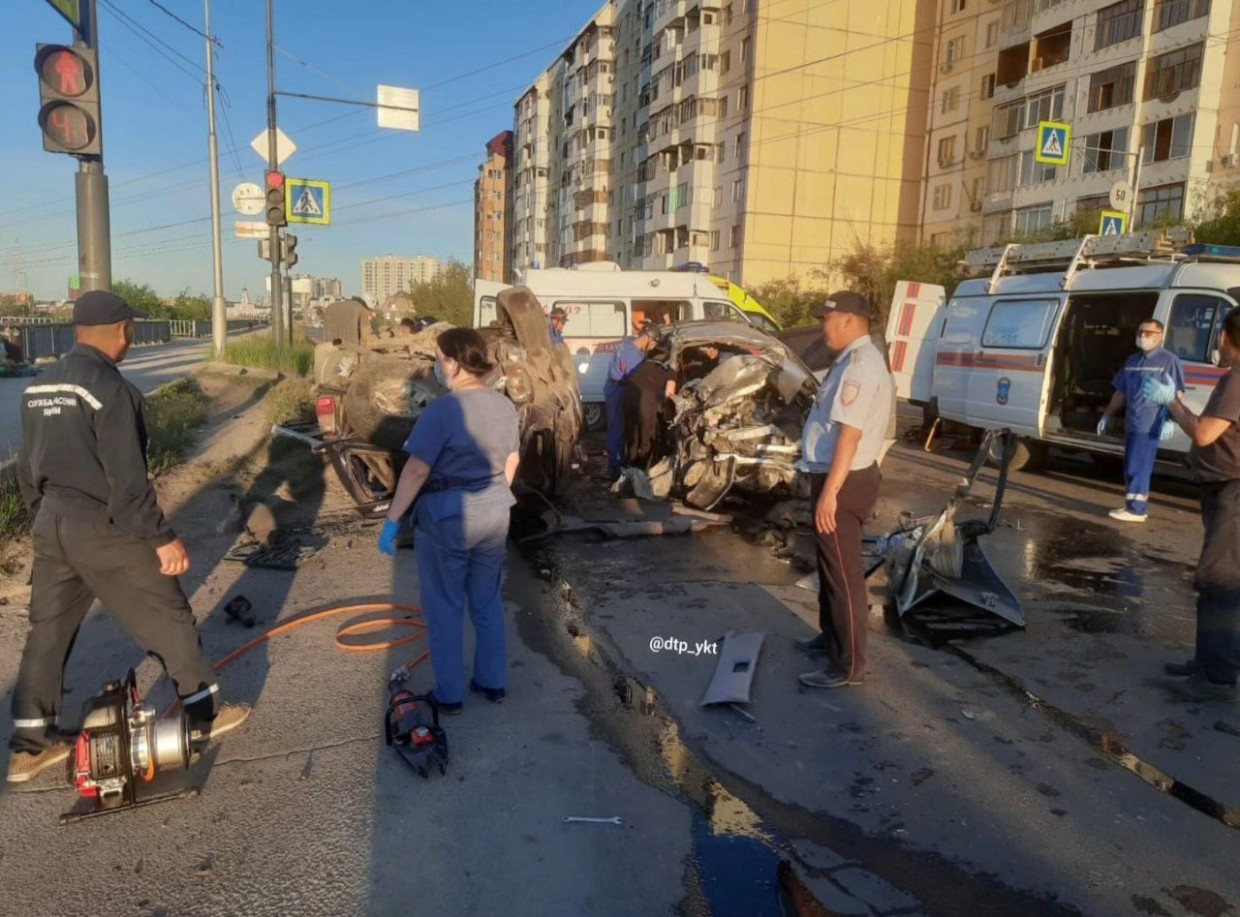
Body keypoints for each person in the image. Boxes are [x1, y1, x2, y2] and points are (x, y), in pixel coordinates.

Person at [8, 290, 249, 783]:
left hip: (52, 523)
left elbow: (27, 472)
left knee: (47, 631)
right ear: (124, 331)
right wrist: (161, 538)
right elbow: (128, 482)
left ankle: (29, 747)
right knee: (165, 610)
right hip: (103, 525)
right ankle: (205, 711)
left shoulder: (38, 387)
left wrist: (45, 520)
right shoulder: (111, 390)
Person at [378, 327, 521, 713]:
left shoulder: (443, 410)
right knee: (487, 601)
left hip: (448, 518)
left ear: (455, 363)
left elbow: (416, 471)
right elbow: (512, 461)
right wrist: (491, 497)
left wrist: (393, 520)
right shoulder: (504, 406)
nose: (437, 368)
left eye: (440, 360)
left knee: (445, 606)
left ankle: (449, 694)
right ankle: (492, 682)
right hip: (495, 513)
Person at [795, 292, 894, 690]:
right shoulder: (850, 360)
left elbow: (849, 437)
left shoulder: (860, 366)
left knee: (843, 575)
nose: (823, 326)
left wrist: (830, 493)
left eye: (828, 318)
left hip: (844, 480)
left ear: (850, 320)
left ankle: (848, 664)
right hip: (836, 476)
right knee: (829, 567)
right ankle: (830, 638)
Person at [1145, 306, 1240, 702]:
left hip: (1232, 493)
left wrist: (1172, 403)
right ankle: (1208, 662)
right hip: (1223, 490)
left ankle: (1217, 679)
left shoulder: (1238, 378)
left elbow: (1204, 433)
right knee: (1218, 581)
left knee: (1220, 582)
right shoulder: (1233, 377)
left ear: (1227, 338)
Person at [1097, 318, 1185, 523]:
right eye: (1140, 332)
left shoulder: (1168, 360)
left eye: (1148, 333)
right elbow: (1120, 392)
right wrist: (1107, 415)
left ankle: (1137, 510)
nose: (1143, 336)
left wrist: (1170, 418)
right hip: (1133, 422)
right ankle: (1132, 504)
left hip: (1150, 423)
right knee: (1131, 465)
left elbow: (1178, 393)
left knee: (1139, 466)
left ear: (1160, 336)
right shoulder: (1132, 361)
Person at [604, 323, 661, 476]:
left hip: (613, 385)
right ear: (648, 338)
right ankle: (616, 468)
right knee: (618, 429)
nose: (653, 348)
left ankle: (618, 462)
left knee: (619, 427)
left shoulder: (628, 341)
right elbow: (637, 379)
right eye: (653, 343)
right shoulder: (634, 356)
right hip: (618, 389)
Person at [622, 339, 678, 468]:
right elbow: (669, 393)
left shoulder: (641, 365)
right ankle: (643, 470)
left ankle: (630, 467)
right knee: (646, 437)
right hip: (645, 400)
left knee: (633, 435)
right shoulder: (670, 371)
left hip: (628, 396)